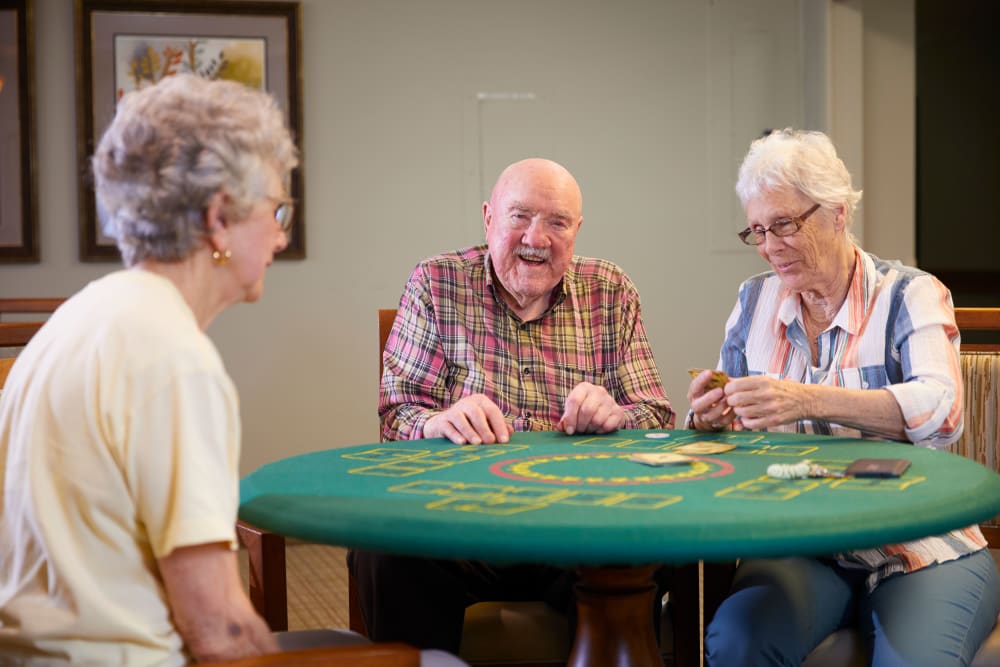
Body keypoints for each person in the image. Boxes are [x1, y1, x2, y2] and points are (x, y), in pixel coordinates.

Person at [0, 74, 466, 667]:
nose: (278, 234)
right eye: (276, 208)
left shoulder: (83, 315)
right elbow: (218, 632)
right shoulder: (173, 359)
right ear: (219, 218)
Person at [687, 128, 1000, 667]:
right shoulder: (754, 300)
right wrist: (710, 418)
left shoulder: (910, 293)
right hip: (800, 545)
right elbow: (729, 428)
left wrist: (809, 399)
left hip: (920, 546)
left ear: (836, 212)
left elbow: (943, 414)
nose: (769, 246)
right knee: (738, 643)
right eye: (758, 230)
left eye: (784, 224)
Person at [350, 158, 675, 653]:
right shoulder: (436, 283)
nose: (536, 238)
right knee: (382, 546)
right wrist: (438, 421)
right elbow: (397, 415)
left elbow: (655, 415)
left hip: (577, 526)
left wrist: (618, 415)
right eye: (519, 216)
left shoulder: (611, 291)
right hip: (459, 523)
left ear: (577, 230)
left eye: (557, 222)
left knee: (644, 549)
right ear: (488, 217)